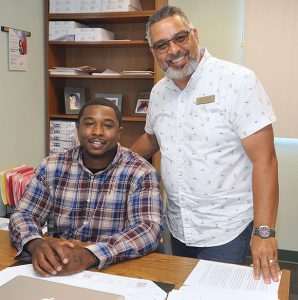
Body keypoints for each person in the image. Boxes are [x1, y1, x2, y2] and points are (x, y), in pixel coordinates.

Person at [131, 5, 280, 284]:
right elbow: (152, 139)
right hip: (177, 225)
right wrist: (111, 160)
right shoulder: (159, 92)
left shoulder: (237, 81)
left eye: (180, 38)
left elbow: (266, 161)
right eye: (162, 45)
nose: (174, 50)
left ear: (195, 34)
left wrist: (264, 233)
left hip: (226, 228)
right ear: (153, 52)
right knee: (182, 288)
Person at [9, 98, 163, 277]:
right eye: (89, 124)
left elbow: (148, 228)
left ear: (119, 132)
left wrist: (88, 255)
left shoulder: (140, 171)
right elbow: (24, 214)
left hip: (115, 268)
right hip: (58, 265)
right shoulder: (52, 166)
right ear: (78, 128)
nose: (97, 132)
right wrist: (35, 243)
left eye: (107, 125)